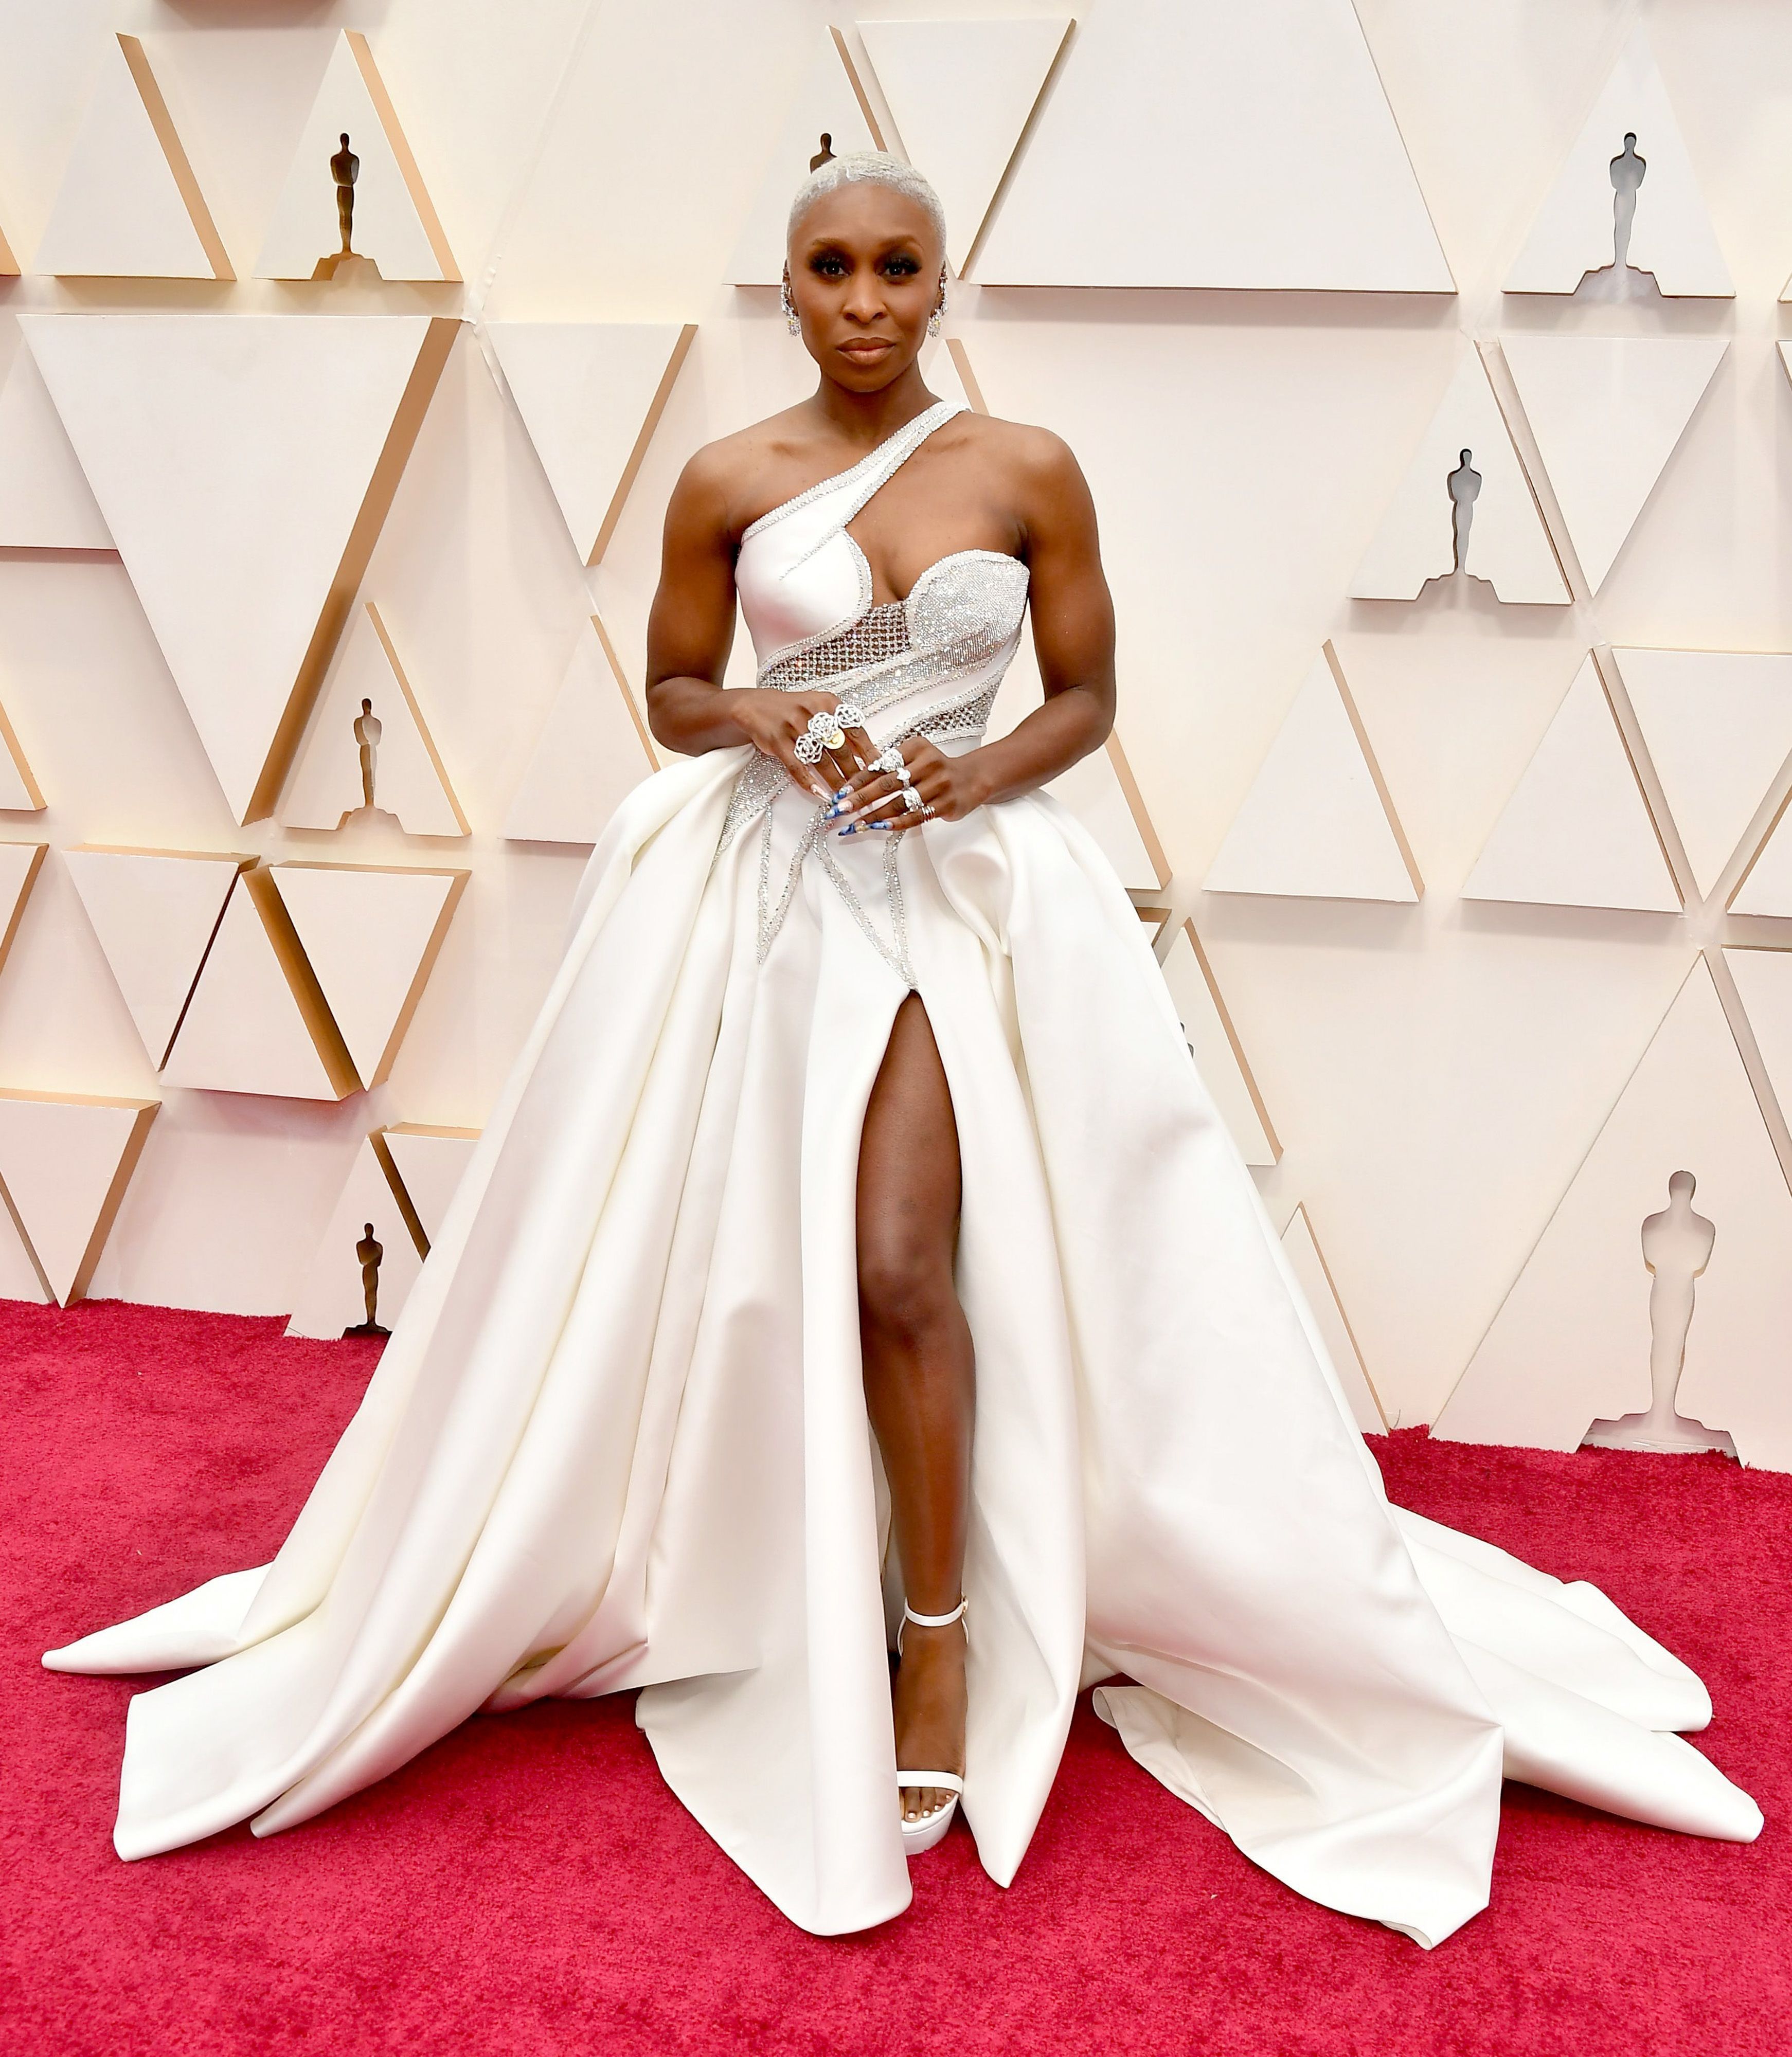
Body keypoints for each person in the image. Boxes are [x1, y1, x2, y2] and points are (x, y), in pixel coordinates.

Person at [45, 153, 1760, 1947]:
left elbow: (1085, 698)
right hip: (764, 900)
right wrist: (758, 713)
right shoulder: (728, 477)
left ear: (943, 282)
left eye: (895, 268)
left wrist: (975, 768)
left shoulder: (1025, 470)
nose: (863, 301)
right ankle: (762, 1575)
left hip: (960, 891)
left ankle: (937, 1651)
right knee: (730, 1262)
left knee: (894, 1263)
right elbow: (673, 695)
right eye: (829, 268)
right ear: (785, 284)